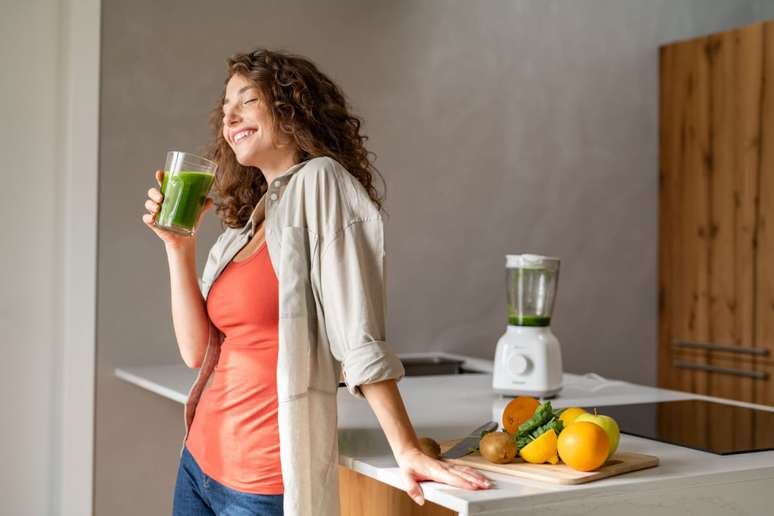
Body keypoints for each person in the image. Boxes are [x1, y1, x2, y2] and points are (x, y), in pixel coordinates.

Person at [142, 48, 492, 516]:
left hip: (262, 484)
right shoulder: (242, 230)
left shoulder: (322, 182)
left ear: (291, 108)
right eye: (225, 108)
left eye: (247, 100)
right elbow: (196, 352)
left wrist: (406, 448)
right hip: (197, 465)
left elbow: (358, 333)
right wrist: (178, 246)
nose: (230, 116)